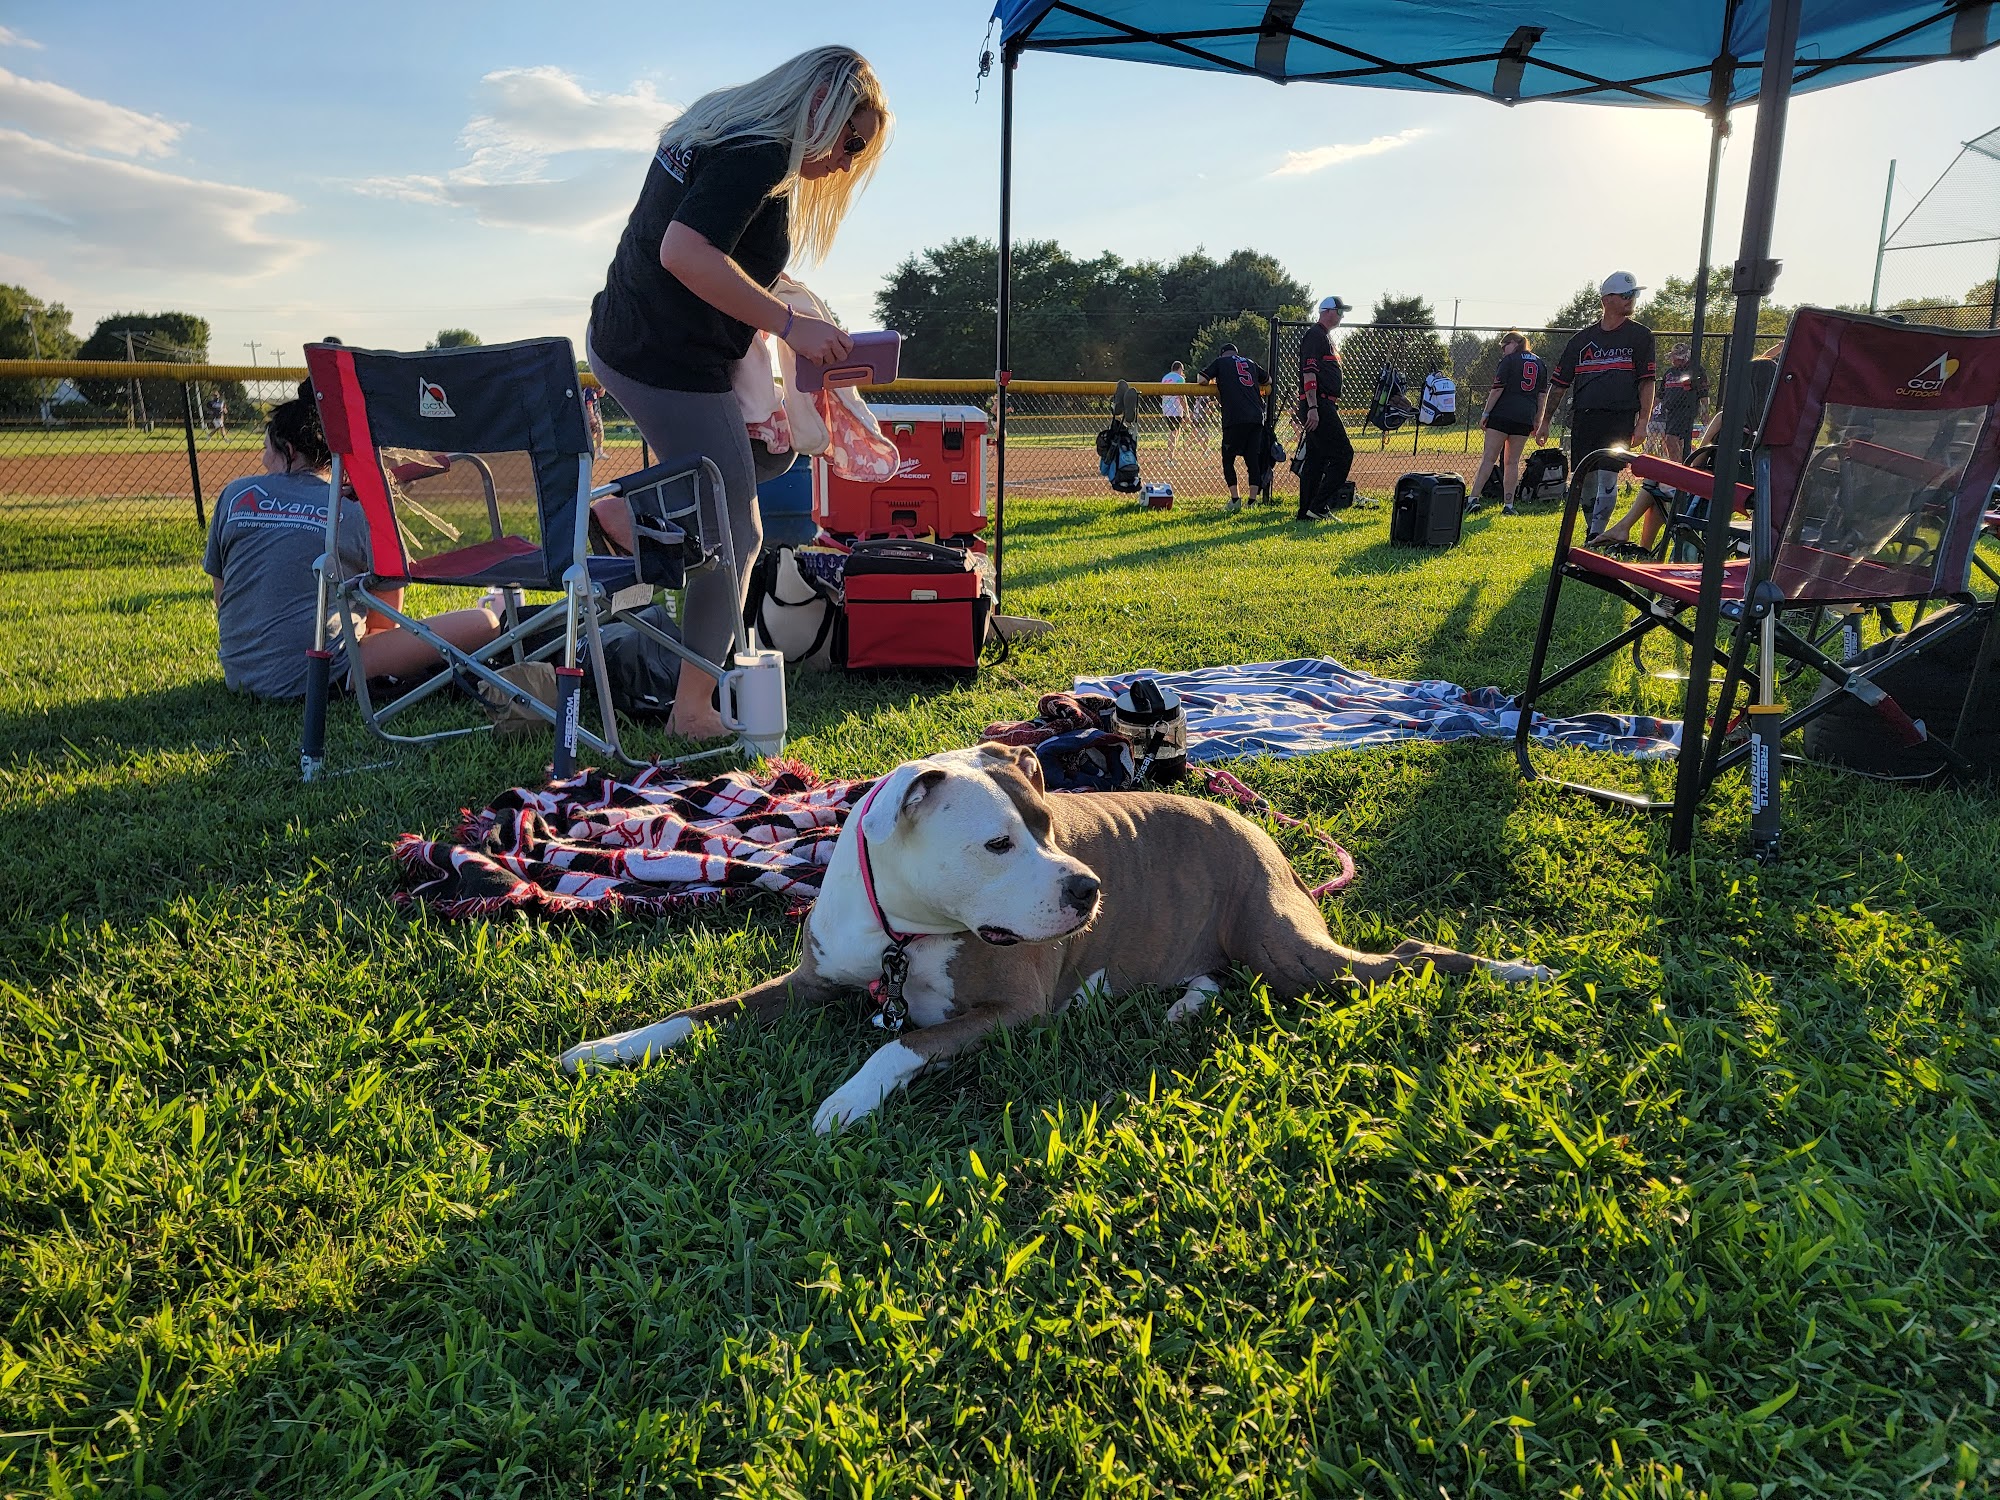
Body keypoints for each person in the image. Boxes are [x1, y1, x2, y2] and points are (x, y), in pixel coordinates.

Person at [586, 45, 888, 739]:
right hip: (664, 359)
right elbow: (683, 253)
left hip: (640, 339)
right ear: (821, 107)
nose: (847, 163)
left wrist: (790, 309)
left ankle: (635, 513)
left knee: (772, 455)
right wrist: (790, 325)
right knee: (737, 534)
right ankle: (691, 710)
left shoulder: (726, 130)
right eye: (851, 142)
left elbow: (711, 250)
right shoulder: (759, 152)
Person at [204, 387, 500, 700]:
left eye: (266, 451)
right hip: (326, 672)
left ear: (289, 451)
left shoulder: (235, 494)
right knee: (485, 622)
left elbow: (223, 596)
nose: (263, 461)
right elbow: (387, 608)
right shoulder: (355, 507)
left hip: (240, 675)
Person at [1534, 271, 1656, 539]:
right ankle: (1592, 529)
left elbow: (1647, 382)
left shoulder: (1640, 335)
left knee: (1608, 474)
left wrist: (1642, 422)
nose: (1631, 300)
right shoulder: (1581, 340)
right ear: (1607, 299)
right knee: (1585, 477)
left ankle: (1597, 535)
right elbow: (1559, 384)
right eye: (1626, 295)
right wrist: (1545, 421)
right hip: (1585, 416)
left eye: (1633, 295)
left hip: (1620, 416)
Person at [1468, 330, 1546, 516]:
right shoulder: (1540, 363)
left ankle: (1472, 499)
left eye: (1504, 347)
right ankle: (1509, 505)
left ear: (1514, 343)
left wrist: (1486, 413)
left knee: (1489, 458)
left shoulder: (1509, 360)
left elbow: (1497, 389)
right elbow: (1542, 396)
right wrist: (1538, 420)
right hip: (1525, 416)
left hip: (1502, 414)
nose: (1503, 351)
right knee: (1512, 462)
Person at [1295, 295, 1354, 520]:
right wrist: (1313, 407)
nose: (1341, 316)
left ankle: (1307, 511)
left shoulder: (1324, 337)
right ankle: (1320, 506)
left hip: (1322, 403)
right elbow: (1309, 373)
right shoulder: (1315, 335)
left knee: (1316, 458)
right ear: (1327, 311)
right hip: (1319, 403)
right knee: (1343, 454)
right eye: (1339, 311)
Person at [1197, 341, 1270, 514]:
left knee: (1228, 459)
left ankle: (1235, 499)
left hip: (1235, 417)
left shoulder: (1221, 362)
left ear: (1222, 354)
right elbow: (1269, 380)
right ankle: (1252, 501)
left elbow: (1202, 379)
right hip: (1256, 416)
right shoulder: (1250, 362)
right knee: (1252, 459)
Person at [1159, 360, 1188, 454]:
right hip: (1175, 408)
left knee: (1175, 430)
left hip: (1166, 407)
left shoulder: (1165, 377)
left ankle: (1171, 454)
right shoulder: (1179, 378)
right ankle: (1170, 456)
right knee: (1174, 431)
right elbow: (1181, 396)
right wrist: (1186, 411)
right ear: (1179, 369)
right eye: (1182, 370)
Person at [581, 381, 606, 460]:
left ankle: (599, 452)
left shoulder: (592, 391)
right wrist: (592, 417)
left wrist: (603, 387)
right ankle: (591, 451)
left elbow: (601, 394)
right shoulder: (589, 391)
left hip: (593, 412)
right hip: (590, 413)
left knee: (599, 432)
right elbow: (589, 405)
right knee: (593, 432)